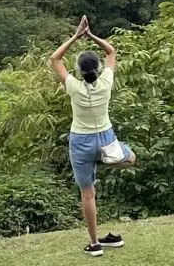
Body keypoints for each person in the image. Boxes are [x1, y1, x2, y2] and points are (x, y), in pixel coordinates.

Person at [50, 15, 136, 257]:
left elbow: (54, 59)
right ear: (97, 69)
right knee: (131, 158)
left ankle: (94, 244)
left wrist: (76, 36)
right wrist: (91, 36)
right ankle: (104, 159)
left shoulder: (74, 87)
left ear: (78, 70)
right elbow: (111, 51)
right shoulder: (106, 82)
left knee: (87, 194)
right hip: (106, 138)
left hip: (80, 141)